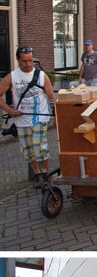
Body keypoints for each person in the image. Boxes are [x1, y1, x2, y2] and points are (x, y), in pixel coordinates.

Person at [0, 46, 57, 188]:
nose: (28, 64)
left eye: (31, 60)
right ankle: (37, 174)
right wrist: (10, 110)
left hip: (39, 118)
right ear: (18, 60)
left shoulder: (42, 76)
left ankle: (45, 173)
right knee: (28, 149)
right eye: (25, 61)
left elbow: (52, 97)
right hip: (21, 120)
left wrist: (56, 116)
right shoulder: (12, 77)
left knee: (40, 147)